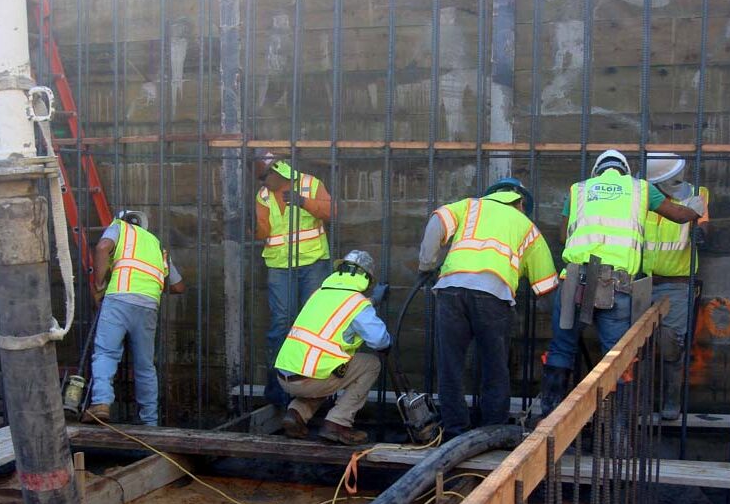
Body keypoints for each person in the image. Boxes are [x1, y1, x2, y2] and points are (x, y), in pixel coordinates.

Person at [539, 149, 705, 416]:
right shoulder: (640, 189)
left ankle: (548, 419)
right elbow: (678, 215)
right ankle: (617, 433)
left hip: (574, 281)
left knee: (561, 349)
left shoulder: (579, 190)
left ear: (597, 171)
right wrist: (695, 209)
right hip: (615, 284)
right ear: (626, 170)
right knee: (616, 358)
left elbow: (563, 236)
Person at [417, 178, 558, 437]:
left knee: (451, 366)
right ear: (521, 202)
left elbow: (437, 222)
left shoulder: (469, 207)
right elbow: (547, 287)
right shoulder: (527, 226)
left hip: (451, 290)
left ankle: (455, 431)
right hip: (493, 296)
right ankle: (492, 432)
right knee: (495, 368)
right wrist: (559, 333)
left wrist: (427, 265)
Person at [274, 250, 390, 445]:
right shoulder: (357, 303)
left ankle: (296, 414)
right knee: (370, 364)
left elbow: (343, 312)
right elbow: (380, 340)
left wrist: (373, 302)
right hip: (313, 378)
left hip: (285, 376)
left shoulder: (319, 294)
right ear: (367, 279)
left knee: (331, 369)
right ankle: (338, 423)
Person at [83, 210, 185, 425]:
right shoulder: (157, 246)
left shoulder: (120, 227)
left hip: (119, 297)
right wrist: (151, 285)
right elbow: (178, 286)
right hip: (148, 305)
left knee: (106, 353)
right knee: (145, 365)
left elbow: (102, 248)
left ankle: (101, 403)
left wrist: (100, 285)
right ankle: (150, 421)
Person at [254, 152, 333, 406]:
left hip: (313, 263)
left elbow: (331, 211)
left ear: (279, 170)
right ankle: (278, 390)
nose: (263, 183)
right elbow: (263, 231)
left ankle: (319, 388)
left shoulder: (310, 184)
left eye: (265, 177)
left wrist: (304, 202)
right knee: (281, 323)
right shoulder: (263, 196)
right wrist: (252, 226)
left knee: (314, 324)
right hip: (280, 266)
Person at [643, 152, 711, 420]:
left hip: (676, 283)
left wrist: (701, 234)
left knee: (671, 344)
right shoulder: (640, 195)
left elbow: (705, 226)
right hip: (641, 280)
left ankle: (671, 401)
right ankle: (639, 403)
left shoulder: (697, 194)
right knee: (637, 346)